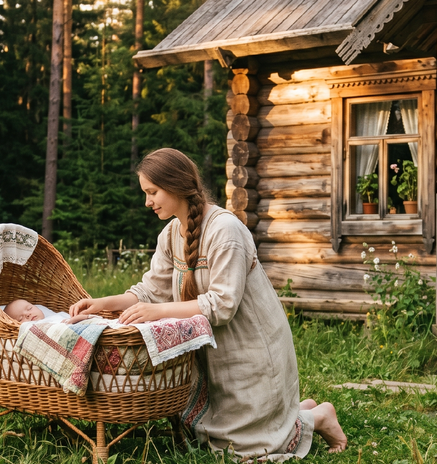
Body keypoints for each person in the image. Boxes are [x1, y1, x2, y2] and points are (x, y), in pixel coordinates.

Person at [69, 148, 347, 459]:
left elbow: (222, 305)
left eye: (152, 192)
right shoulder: (171, 233)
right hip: (213, 350)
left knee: (247, 450)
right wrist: (100, 302)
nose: (147, 202)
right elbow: (149, 290)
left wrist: (156, 312)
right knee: (208, 438)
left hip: (251, 344)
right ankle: (297, 414)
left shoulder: (224, 230)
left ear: (175, 185)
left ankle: (318, 416)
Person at [2, 299, 88, 324]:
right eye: (20, 318)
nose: (28, 314)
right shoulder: (31, 328)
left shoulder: (58, 315)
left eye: (29, 309)